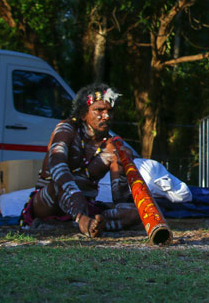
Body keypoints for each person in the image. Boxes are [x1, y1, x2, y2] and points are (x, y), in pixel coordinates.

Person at [20, 83, 140, 237]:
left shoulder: (113, 146)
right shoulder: (67, 129)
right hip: (50, 201)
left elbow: (120, 198)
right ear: (83, 114)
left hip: (85, 205)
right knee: (58, 186)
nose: (106, 116)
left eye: (109, 111)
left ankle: (86, 225)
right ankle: (82, 222)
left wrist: (124, 165)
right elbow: (56, 164)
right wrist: (76, 198)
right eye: (99, 110)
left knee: (134, 213)